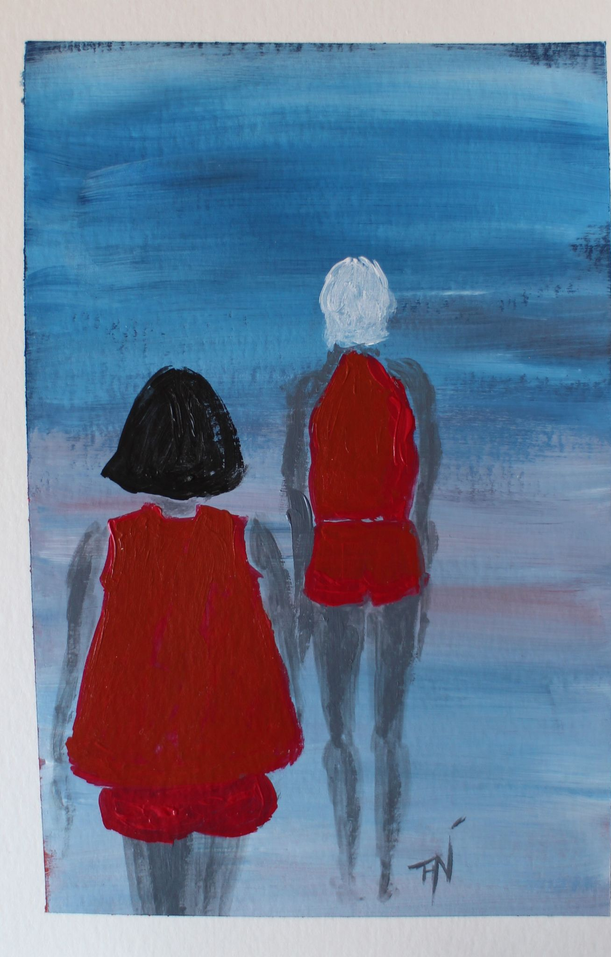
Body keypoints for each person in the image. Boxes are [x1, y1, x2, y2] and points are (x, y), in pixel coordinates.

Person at [52, 367, 303, 916]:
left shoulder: (105, 542)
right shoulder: (250, 537)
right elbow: (287, 645)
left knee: (156, 919)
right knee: (210, 917)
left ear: (139, 444)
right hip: (229, 762)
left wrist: (55, 744)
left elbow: (75, 658)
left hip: (142, 767)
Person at [282, 257, 441, 901]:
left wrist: (302, 583)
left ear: (329, 312)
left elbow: (296, 493)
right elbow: (423, 483)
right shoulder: (412, 383)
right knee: (389, 730)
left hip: (336, 550)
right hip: (396, 546)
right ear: (383, 311)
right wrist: (422, 564)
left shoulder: (309, 390)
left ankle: (347, 865)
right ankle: (386, 870)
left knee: (340, 729)